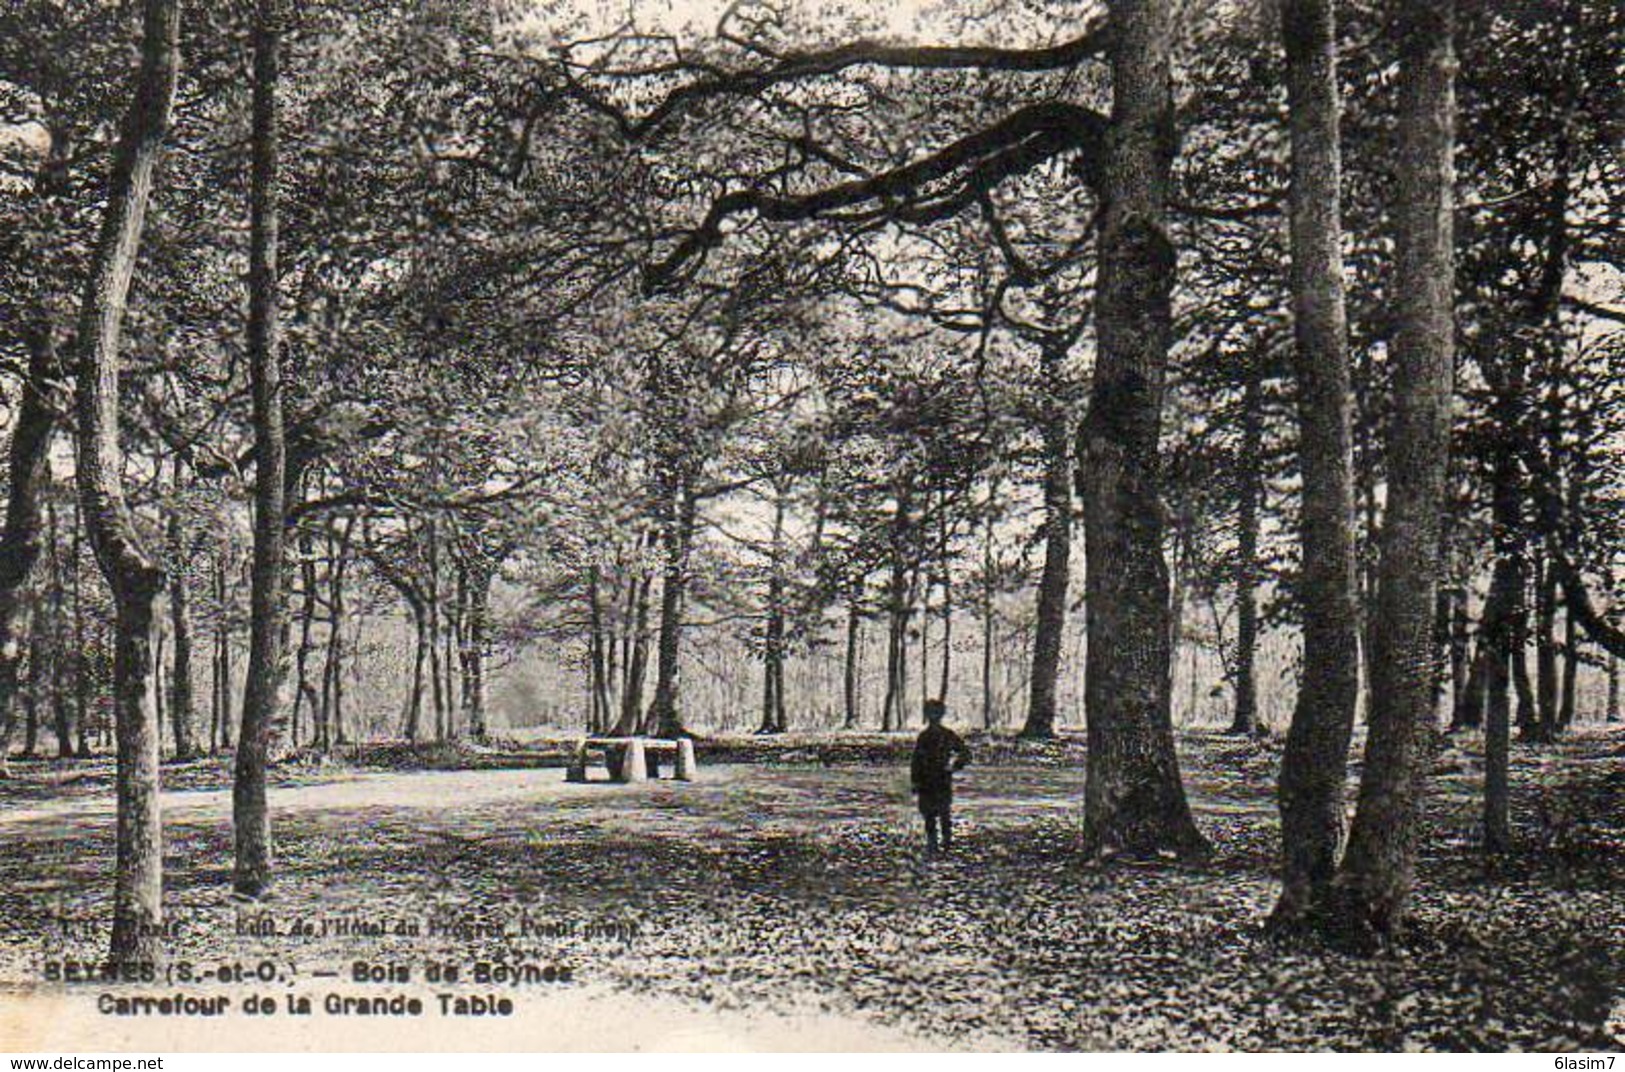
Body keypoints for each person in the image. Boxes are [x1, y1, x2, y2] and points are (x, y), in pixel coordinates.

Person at [910, 699, 972, 853]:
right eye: (930, 712)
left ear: (941, 715)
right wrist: (915, 781)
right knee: (928, 813)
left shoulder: (948, 735)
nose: (933, 716)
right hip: (926, 780)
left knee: (944, 812)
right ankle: (933, 843)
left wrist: (954, 767)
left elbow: (965, 753)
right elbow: (916, 761)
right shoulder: (923, 737)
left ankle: (946, 842)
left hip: (941, 778)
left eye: (935, 713)